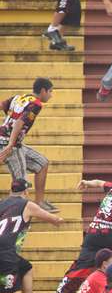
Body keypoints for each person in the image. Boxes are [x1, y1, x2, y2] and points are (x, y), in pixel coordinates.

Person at [0, 179, 64, 293]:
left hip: (7, 251)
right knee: (5, 290)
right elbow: (53, 219)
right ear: (26, 191)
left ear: (11, 190)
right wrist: (58, 220)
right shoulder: (27, 205)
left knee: (26, 268)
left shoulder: (1, 203)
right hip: (7, 252)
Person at [0, 78, 57, 211]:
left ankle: (39, 202)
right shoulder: (36, 104)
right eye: (50, 91)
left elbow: (2, 105)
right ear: (43, 91)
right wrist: (10, 145)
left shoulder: (19, 98)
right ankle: (13, 214)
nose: (51, 95)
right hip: (11, 143)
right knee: (21, 183)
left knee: (42, 163)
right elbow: (20, 122)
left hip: (11, 142)